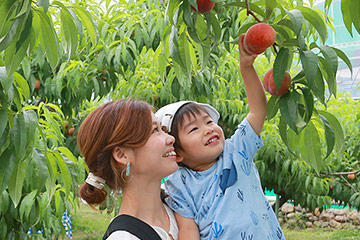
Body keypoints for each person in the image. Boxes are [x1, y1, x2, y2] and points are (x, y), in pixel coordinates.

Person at [155, 34, 285, 239]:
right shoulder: (178, 182)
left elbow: (257, 111)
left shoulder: (236, 151)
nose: (208, 129)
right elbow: (188, 228)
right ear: (177, 153)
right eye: (194, 129)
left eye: (209, 122)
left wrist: (247, 68)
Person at [78, 99, 179, 240]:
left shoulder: (183, 205)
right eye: (155, 130)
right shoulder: (124, 237)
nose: (171, 138)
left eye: (163, 129)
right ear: (122, 154)